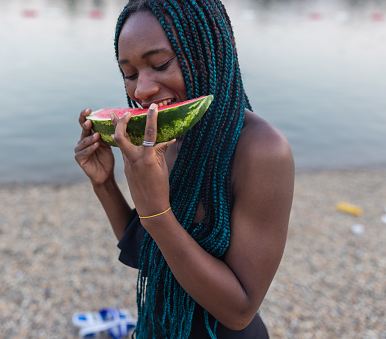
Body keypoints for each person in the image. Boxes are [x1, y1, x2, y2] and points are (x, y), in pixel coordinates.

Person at [74, 0, 295, 337]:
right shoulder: (166, 139)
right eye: (129, 73)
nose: (142, 90)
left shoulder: (263, 150)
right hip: (158, 327)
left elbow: (239, 311)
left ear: (208, 53)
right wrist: (104, 184)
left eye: (160, 64)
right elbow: (149, 255)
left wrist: (158, 213)